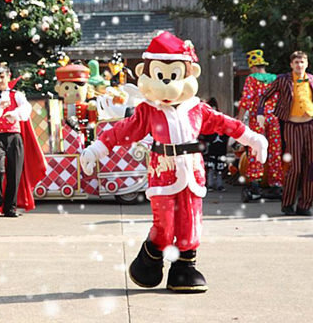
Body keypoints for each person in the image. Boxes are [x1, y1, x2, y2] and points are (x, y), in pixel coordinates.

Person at [80, 31, 268, 293]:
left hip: (192, 172)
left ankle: (184, 270)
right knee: (165, 225)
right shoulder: (149, 110)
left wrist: (252, 138)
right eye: (160, 76)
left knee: (191, 223)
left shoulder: (198, 109)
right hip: (163, 172)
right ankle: (148, 260)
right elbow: (124, 129)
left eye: (173, 75)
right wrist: (97, 149)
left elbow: (226, 123)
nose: (167, 85)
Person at [0, 65, 46, 217]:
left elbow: (26, 109)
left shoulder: (17, 95)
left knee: (14, 173)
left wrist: (14, 113)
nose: (0, 80)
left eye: (2, 77)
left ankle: (10, 207)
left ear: (8, 77)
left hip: (14, 137)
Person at [256, 51, 313, 216]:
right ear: (291, 64)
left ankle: (305, 205)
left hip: (310, 124)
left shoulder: (311, 79)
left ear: (307, 64)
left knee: (310, 167)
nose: (299, 65)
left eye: (302, 62)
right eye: (296, 62)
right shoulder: (283, 80)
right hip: (292, 125)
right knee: (295, 167)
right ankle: (287, 203)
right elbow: (263, 95)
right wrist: (260, 112)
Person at [236, 50, 283, 197]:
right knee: (275, 150)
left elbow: (247, 99)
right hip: (274, 118)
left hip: (258, 118)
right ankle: (276, 184)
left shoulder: (252, 79)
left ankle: (255, 182)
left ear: (254, 67)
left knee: (256, 148)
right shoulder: (275, 79)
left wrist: (239, 118)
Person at [200, 98, 229, 192]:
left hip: (216, 148)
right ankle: (213, 184)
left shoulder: (210, 121)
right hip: (216, 148)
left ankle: (214, 184)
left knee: (216, 168)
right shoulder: (210, 121)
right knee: (214, 168)